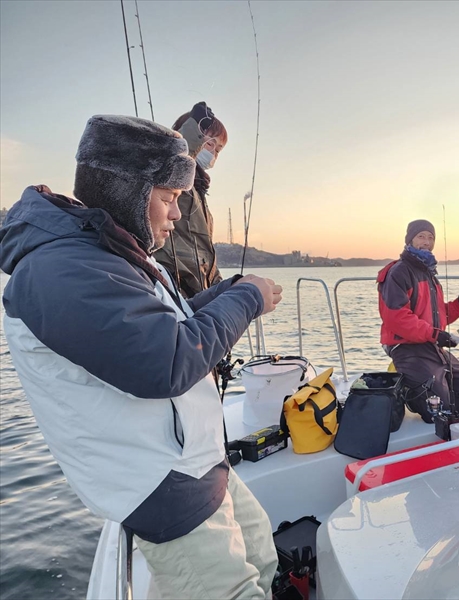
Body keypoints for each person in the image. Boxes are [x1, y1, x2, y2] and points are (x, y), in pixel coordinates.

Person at [0, 115, 280, 599]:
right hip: (161, 482)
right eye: (169, 199)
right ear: (129, 190)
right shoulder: (60, 269)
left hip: (196, 458)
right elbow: (164, 361)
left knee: (262, 557)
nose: (175, 215)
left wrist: (227, 292)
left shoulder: (107, 253)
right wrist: (248, 299)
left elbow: (165, 325)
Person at [377, 219, 459, 420]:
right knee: (439, 410)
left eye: (430, 237)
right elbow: (397, 318)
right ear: (409, 240)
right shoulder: (399, 272)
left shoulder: (428, 272)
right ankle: (408, 391)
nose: (426, 242)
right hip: (406, 348)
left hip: (430, 346)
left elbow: (436, 316)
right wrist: (436, 335)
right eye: (421, 236)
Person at [153, 101, 227, 298]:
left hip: (197, 295)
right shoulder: (174, 180)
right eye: (210, 143)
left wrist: (229, 289)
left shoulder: (199, 190)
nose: (213, 153)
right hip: (174, 289)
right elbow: (176, 157)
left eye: (218, 150)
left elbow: (205, 256)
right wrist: (194, 127)